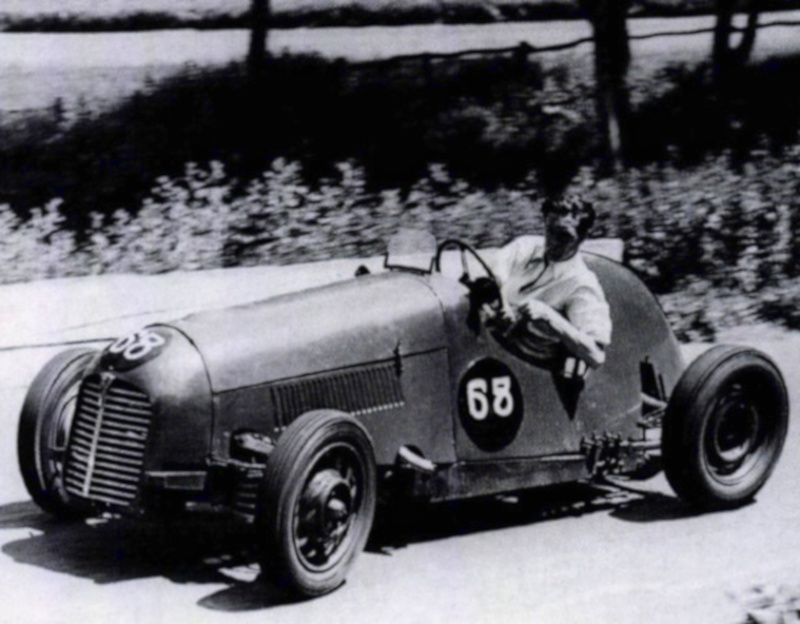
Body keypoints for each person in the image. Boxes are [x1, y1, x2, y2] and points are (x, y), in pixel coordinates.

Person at [486, 195, 612, 371]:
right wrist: (502, 302)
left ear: (582, 237)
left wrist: (549, 317)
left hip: (526, 367)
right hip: (488, 344)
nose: (552, 242)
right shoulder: (525, 247)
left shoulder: (582, 283)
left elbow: (597, 356)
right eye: (549, 230)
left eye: (563, 236)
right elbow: (492, 273)